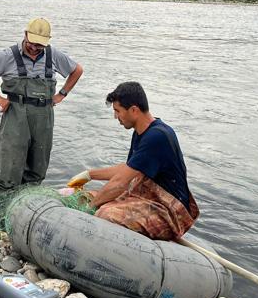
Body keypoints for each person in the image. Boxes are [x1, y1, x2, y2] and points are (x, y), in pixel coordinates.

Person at [66, 81, 198, 240]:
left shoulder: (157, 136)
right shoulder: (141, 132)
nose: (116, 117)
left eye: (118, 111)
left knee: (105, 213)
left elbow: (121, 181)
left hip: (168, 212)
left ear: (134, 110)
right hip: (146, 199)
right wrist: (89, 175)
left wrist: (91, 208)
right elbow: (128, 169)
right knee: (84, 197)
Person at [0, 17, 84, 193]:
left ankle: (27, 210)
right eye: (32, 43)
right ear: (25, 35)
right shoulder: (7, 56)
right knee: (8, 172)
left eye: (40, 45)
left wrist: (61, 94)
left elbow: (77, 70)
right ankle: (3, 215)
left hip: (44, 116)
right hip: (16, 115)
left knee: (38, 169)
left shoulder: (54, 56)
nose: (34, 48)